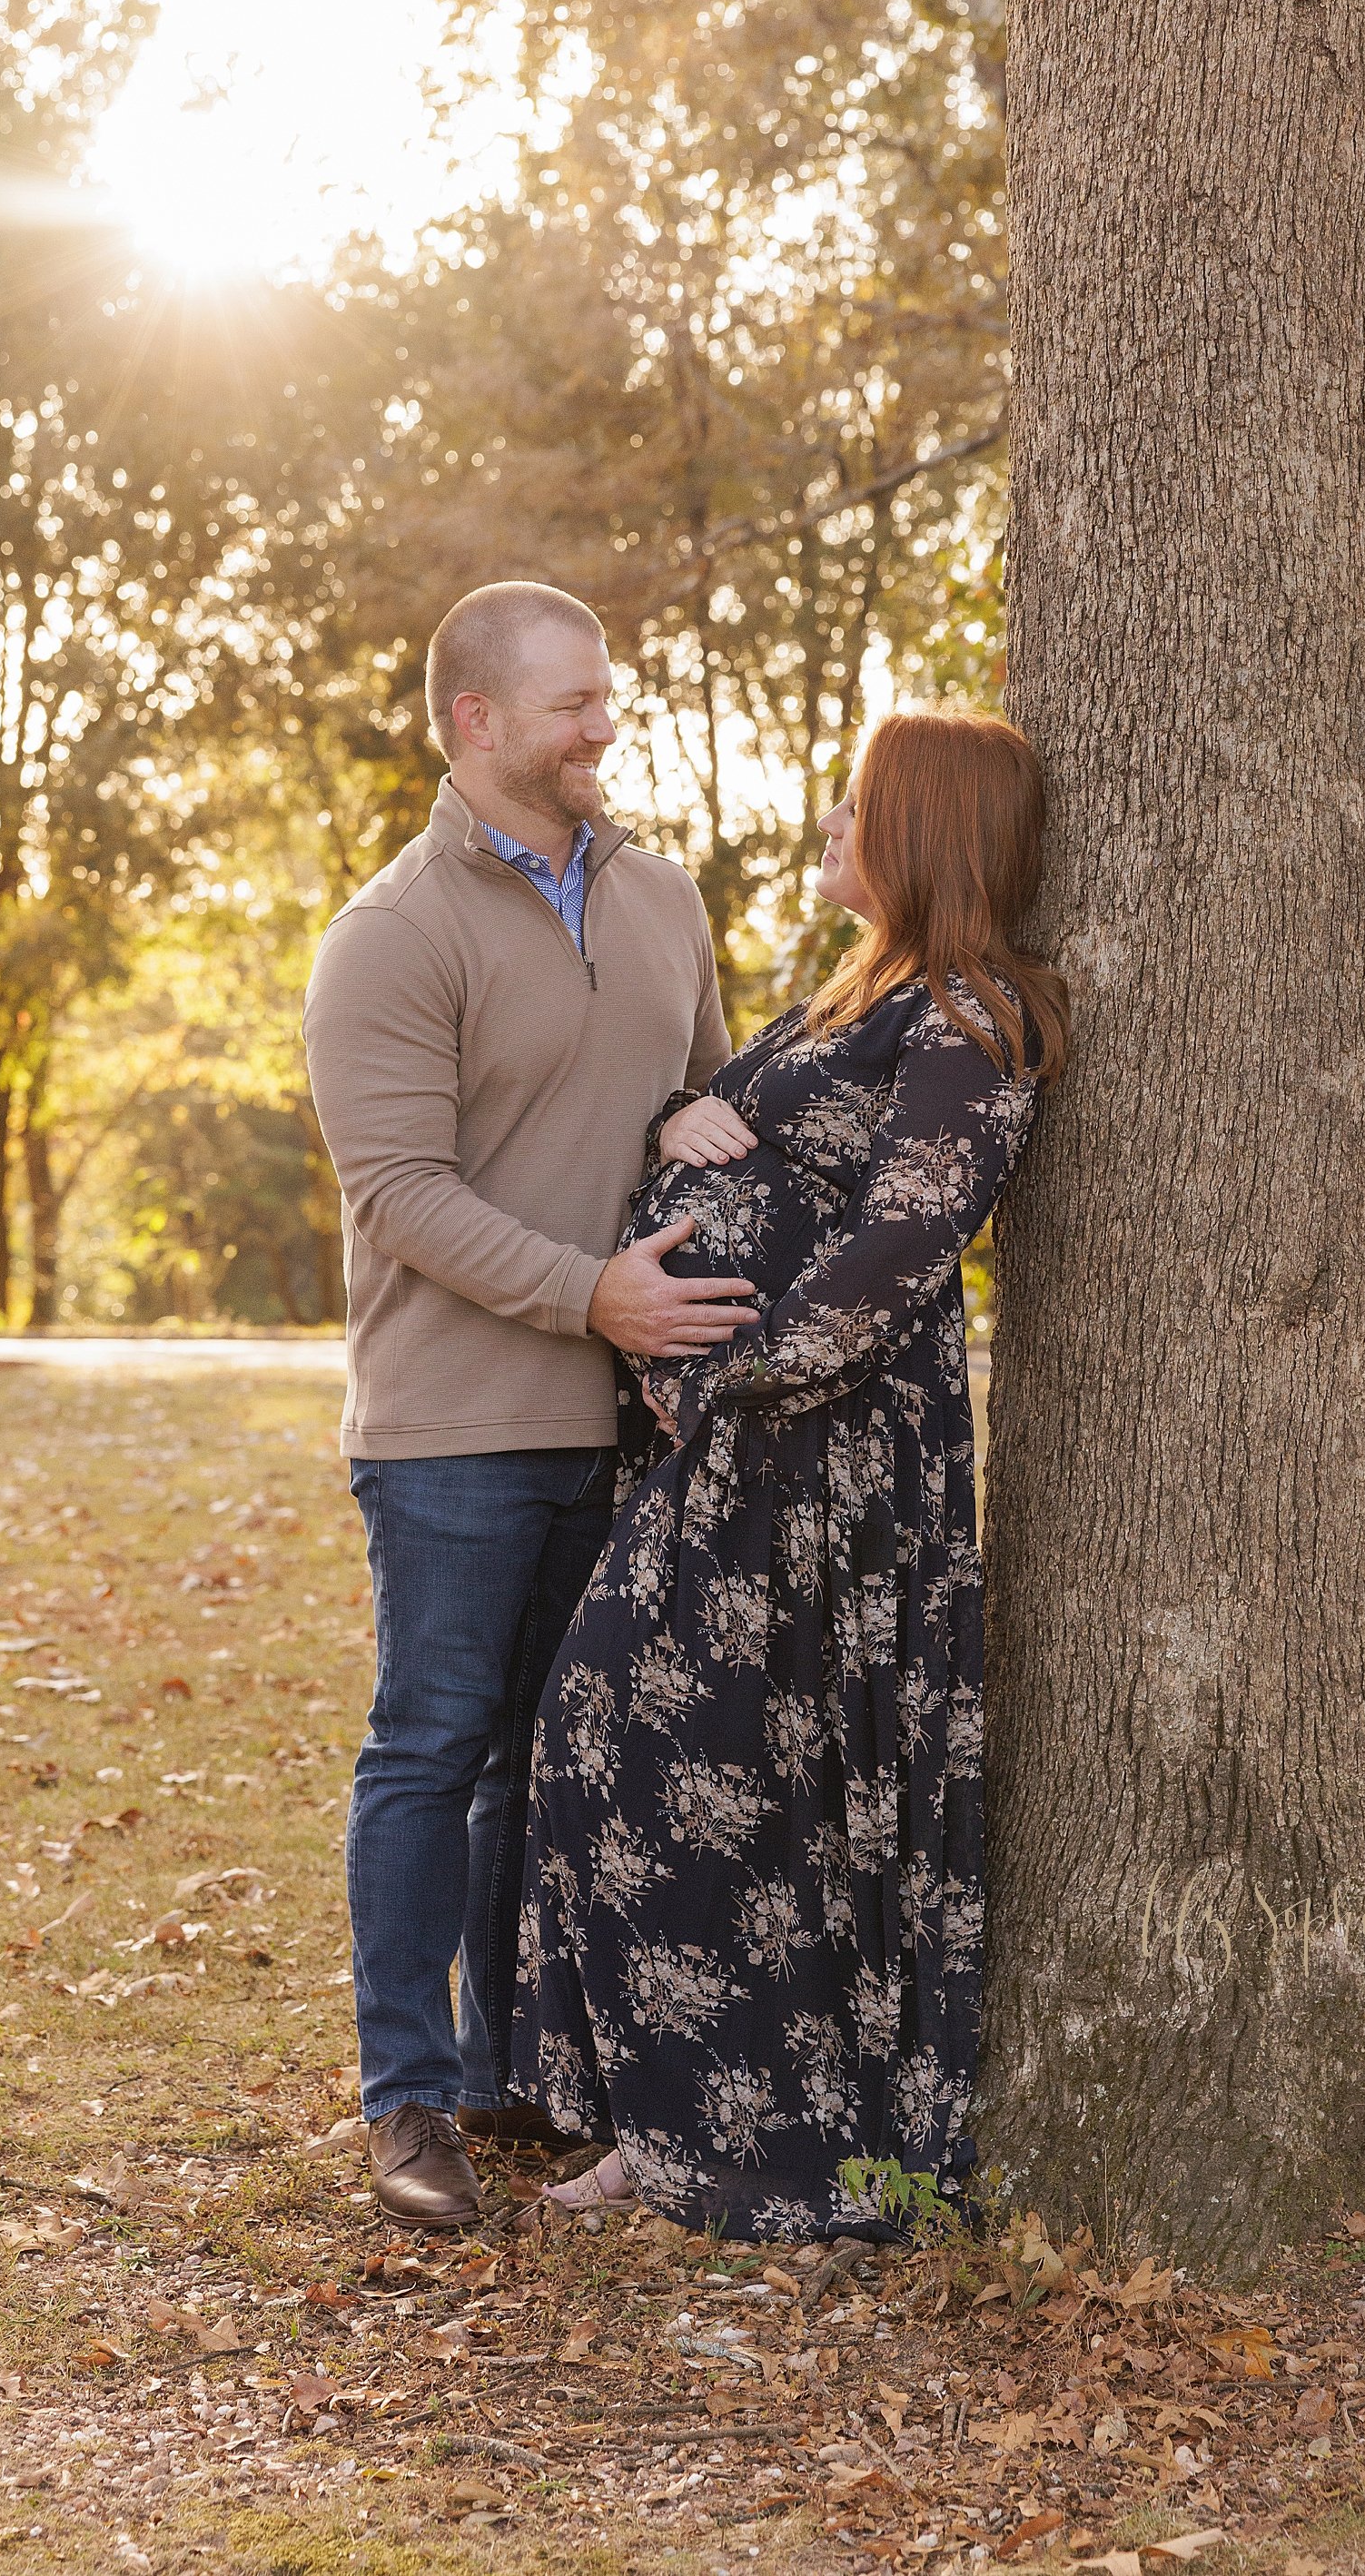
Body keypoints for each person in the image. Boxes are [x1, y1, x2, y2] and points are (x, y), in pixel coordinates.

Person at [509, 707, 1068, 2241]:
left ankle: (746, 2138)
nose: (829, 820)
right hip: (742, 1449)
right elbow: (746, 1143)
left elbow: (901, 1247)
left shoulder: (973, 1018)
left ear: (926, 832)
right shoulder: (856, 994)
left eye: (858, 803)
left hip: (827, 1462)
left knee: (729, 1774)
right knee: (617, 1736)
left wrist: (718, 1370)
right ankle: (665, 2110)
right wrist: (682, 1116)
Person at [304, 579, 755, 2234]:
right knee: (431, 1748)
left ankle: (508, 2066)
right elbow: (403, 1195)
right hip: (452, 1427)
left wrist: (710, 1111)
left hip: (621, 1423)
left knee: (550, 1763)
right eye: (573, 702)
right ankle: (406, 2098)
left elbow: (701, 1092)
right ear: (474, 721)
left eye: (606, 694)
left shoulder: (660, 895)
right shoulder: (392, 935)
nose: (605, 724)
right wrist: (590, 1291)